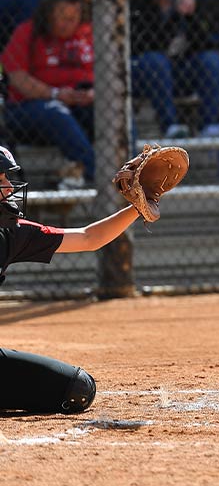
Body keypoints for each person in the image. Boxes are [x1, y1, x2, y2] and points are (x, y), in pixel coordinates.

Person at [0, 144, 141, 414]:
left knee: (77, 389)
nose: (8, 188)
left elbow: (88, 238)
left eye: (7, 179)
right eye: (0, 181)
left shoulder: (12, 234)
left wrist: (137, 208)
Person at [130, 0, 219, 139]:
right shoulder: (139, 4)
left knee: (211, 60)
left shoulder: (184, 3)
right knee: (156, 61)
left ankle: (208, 125)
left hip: (176, 75)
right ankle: (170, 125)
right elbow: (146, 46)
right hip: (145, 75)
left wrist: (190, 16)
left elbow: (202, 45)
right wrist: (173, 17)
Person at [0, 0, 94, 188]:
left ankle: (137, 168)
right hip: (29, 108)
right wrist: (55, 94)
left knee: (110, 108)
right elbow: (17, 77)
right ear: (49, 13)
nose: (70, 22)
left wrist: (93, 93)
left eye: (74, 16)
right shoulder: (28, 31)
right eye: (63, 16)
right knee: (56, 112)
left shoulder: (87, 32)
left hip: (79, 103)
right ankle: (99, 173)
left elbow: (107, 73)